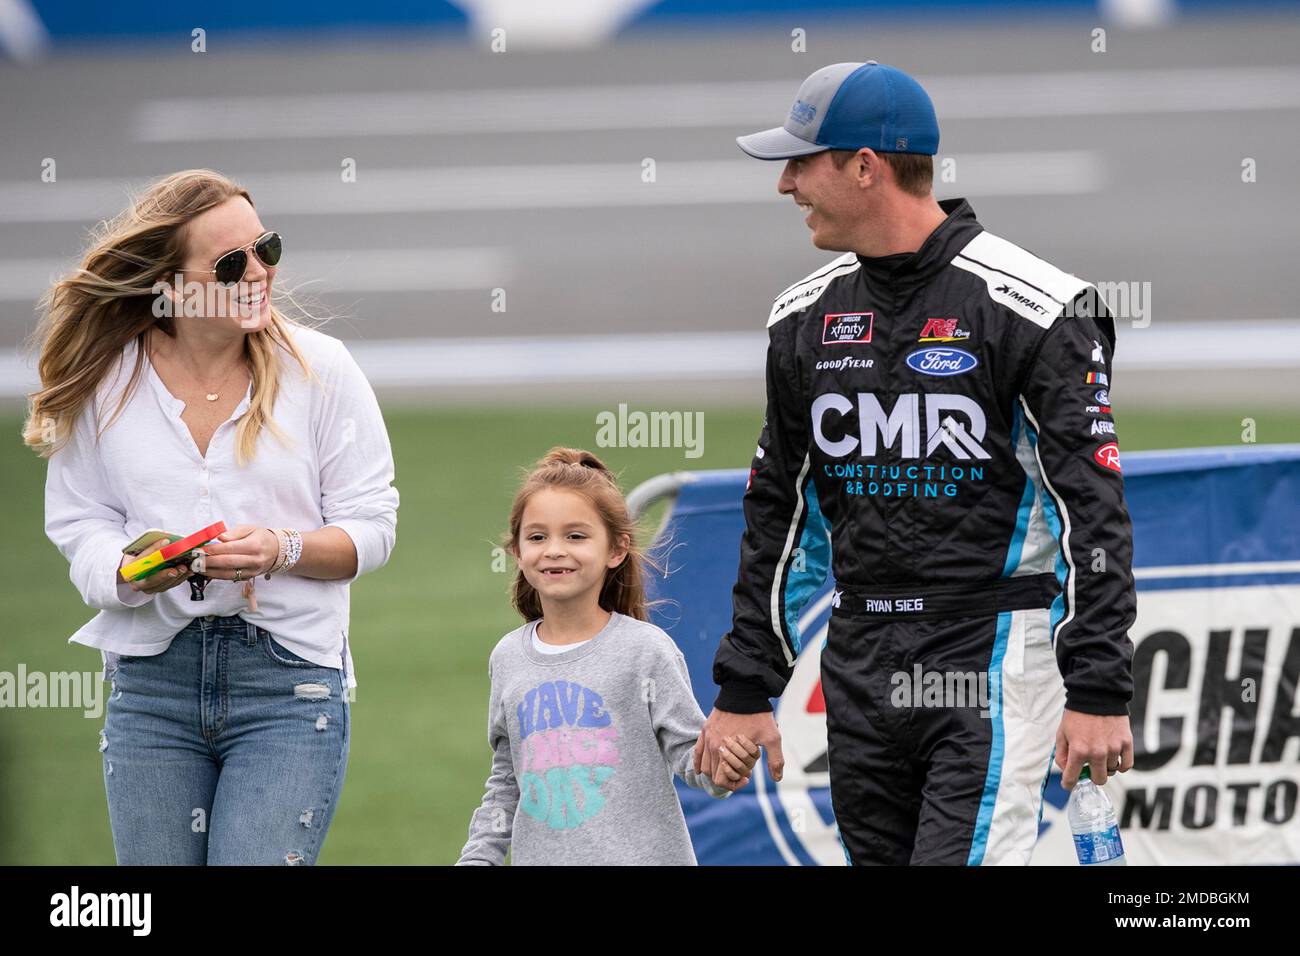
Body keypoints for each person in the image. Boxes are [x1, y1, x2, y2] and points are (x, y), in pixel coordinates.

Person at [692, 62, 1137, 865]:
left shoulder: (1039, 308)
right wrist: (746, 686)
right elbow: (781, 515)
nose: (785, 185)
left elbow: (1092, 515)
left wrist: (1099, 687)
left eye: (802, 162)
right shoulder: (802, 319)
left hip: (993, 650)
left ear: (865, 165)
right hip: (859, 655)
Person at [25, 169, 399, 865]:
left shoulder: (322, 369)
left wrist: (280, 549)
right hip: (151, 685)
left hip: (290, 685)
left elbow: (373, 527)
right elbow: (79, 523)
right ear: (170, 283)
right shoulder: (108, 378)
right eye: (232, 263)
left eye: (268, 249)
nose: (259, 272)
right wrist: (133, 571)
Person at [457, 448, 759, 865]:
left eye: (576, 536)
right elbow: (507, 779)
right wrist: (477, 857)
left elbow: (693, 759)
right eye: (537, 536)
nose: (554, 550)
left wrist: (723, 768)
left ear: (616, 549)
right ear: (517, 552)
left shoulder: (645, 651)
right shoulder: (508, 656)